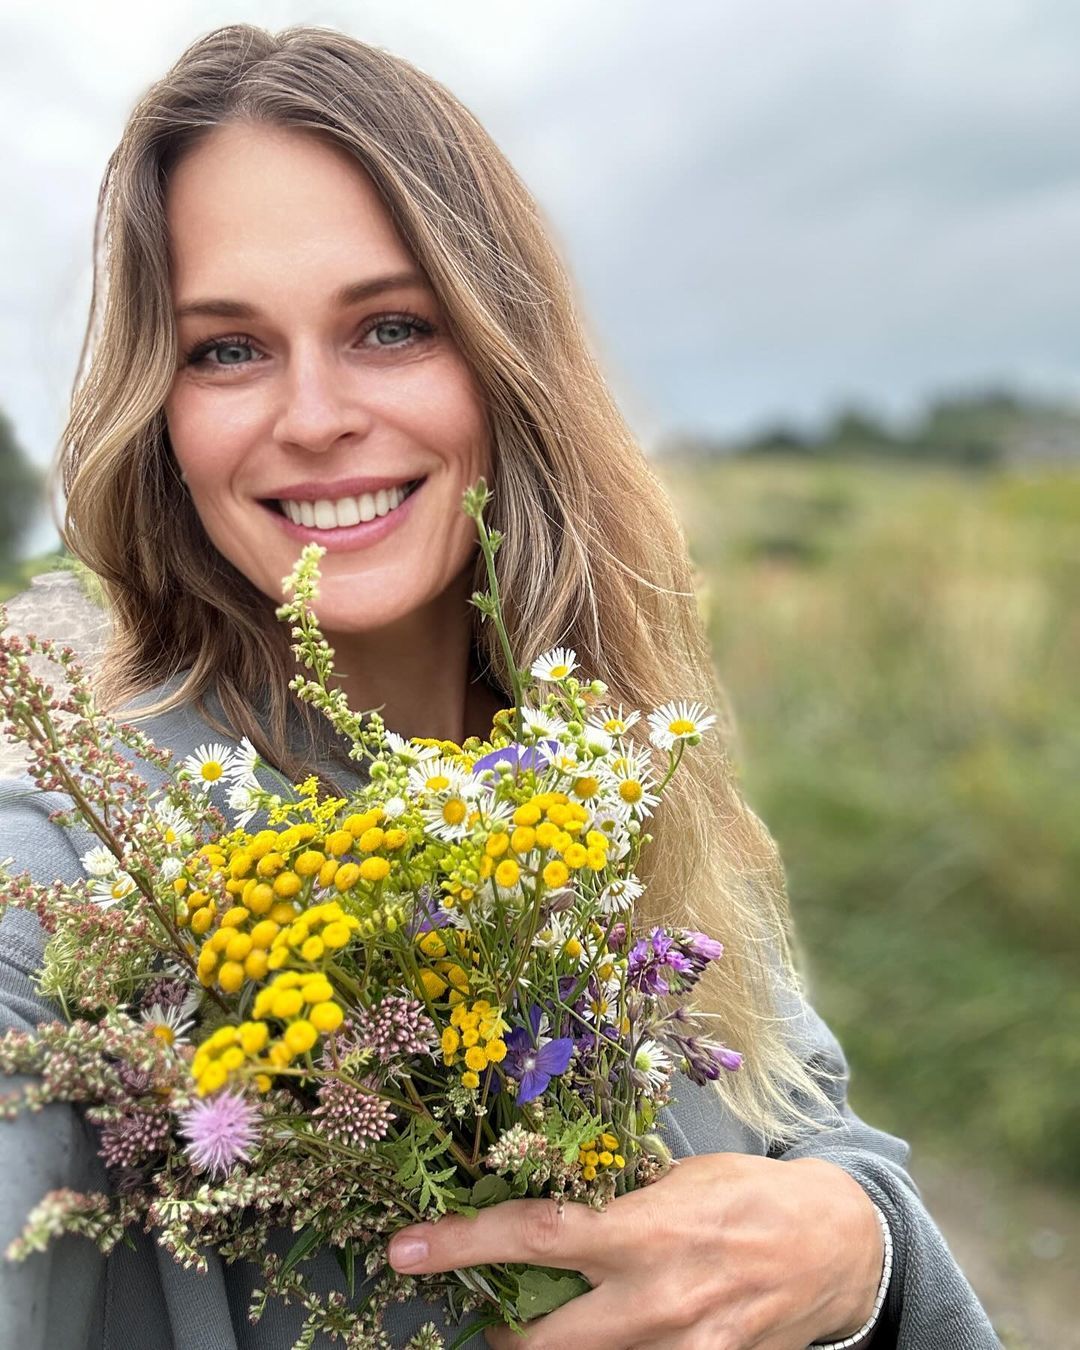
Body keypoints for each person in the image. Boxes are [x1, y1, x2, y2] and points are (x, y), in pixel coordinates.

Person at [0, 23, 1000, 1350]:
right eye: (227, 349)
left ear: (502, 360)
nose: (313, 414)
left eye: (391, 326)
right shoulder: (80, 868)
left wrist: (856, 1245)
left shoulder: (608, 779)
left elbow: (812, 1128)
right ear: (162, 412)